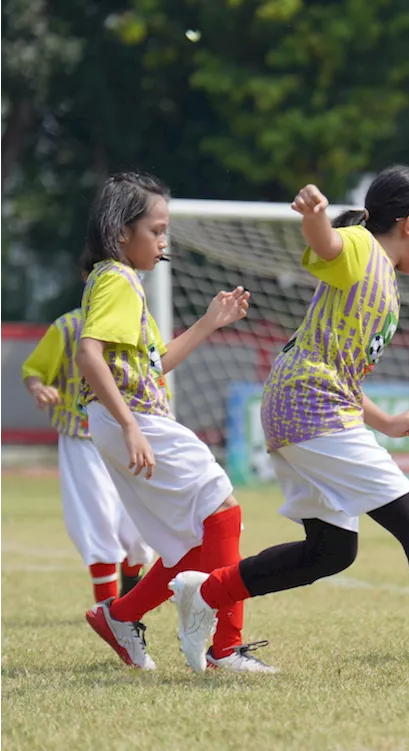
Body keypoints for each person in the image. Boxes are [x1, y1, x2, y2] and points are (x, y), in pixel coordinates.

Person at [168, 165, 409, 687]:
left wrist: (385, 421)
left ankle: (207, 593)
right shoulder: (360, 245)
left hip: (305, 404)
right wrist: (314, 217)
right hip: (308, 407)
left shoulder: (387, 280)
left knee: (331, 550)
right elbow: (328, 244)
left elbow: (343, 367)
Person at [77, 172, 273, 673]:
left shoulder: (117, 279)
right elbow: (88, 355)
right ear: (122, 232)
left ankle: (120, 616)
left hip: (127, 417)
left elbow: (152, 365)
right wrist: (129, 425)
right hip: (132, 418)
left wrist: (210, 322)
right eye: (156, 230)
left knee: (197, 538)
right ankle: (223, 648)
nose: (164, 241)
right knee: (224, 511)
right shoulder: (118, 279)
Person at [22, 253, 155, 603]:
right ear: (88, 279)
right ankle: (107, 609)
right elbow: (35, 371)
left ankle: (129, 600)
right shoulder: (68, 327)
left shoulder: (141, 323)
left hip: (132, 436)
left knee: (138, 523)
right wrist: (40, 388)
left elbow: (156, 369)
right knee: (97, 520)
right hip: (82, 438)